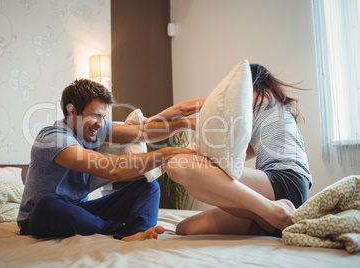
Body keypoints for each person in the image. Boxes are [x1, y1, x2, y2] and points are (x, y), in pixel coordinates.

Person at [17, 78, 195, 241]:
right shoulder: (53, 138)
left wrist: (186, 124)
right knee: (49, 204)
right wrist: (168, 153)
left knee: (148, 186)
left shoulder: (94, 130)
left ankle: (136, 233)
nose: (101, 124)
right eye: (94, 115)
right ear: (71, 111)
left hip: (80, 210)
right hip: (41, 217)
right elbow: (109, 168)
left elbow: (141, 133)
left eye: (103, 117)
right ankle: (117, 228)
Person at [158, 63, 312, 237]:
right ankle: (267, 222)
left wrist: (149, 122)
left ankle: (274, 211)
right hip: (293, 192)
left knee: (177, 165)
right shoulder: (274, 112)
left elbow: (183, 109)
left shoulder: (256, 95)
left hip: (285, 182)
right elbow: (227, 160)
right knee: (186, 228)